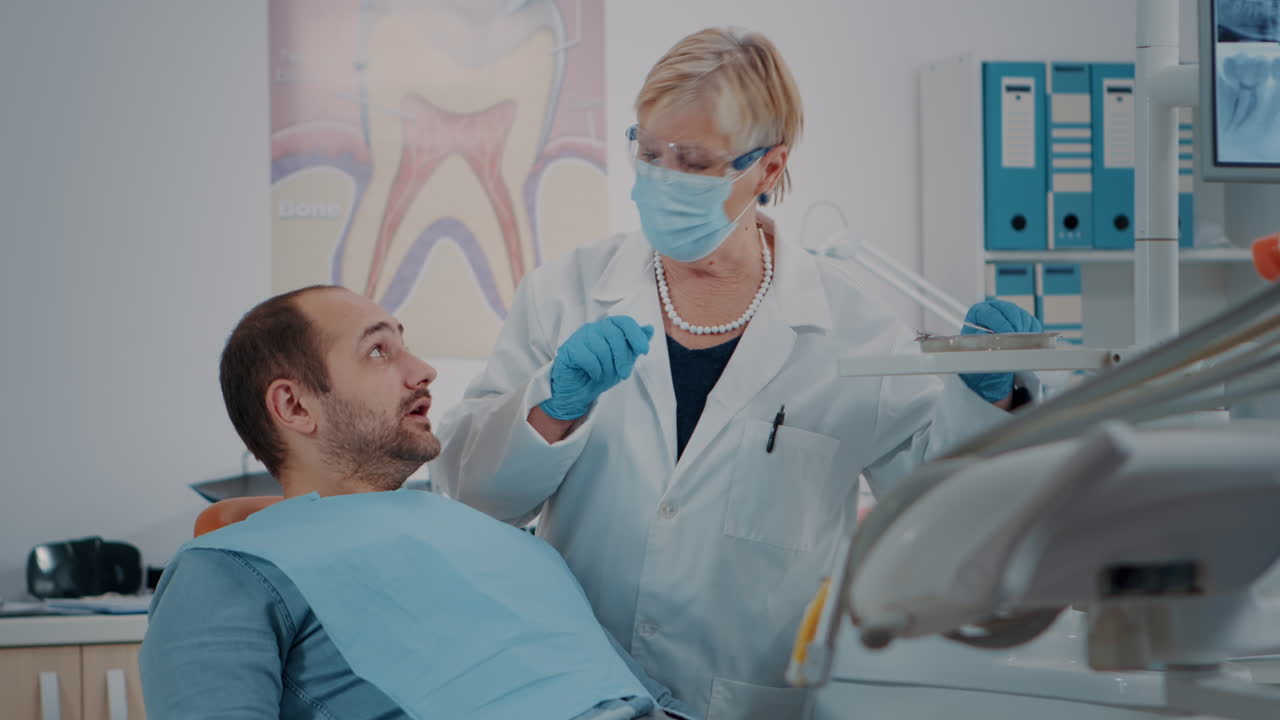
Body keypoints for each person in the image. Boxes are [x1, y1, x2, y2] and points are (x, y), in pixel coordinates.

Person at [434, 27, 1041, 719]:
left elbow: (941, 523)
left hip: (749, 701)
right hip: (581, 692)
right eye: (649, 150)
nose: (662, 176)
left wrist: (986, 403)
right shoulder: (563, 294)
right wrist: (550, 411)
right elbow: (470, 497)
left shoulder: (851, 330)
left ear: (769, 168)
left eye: (692, 162)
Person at [139, 285, 697, 720]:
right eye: (379, 350)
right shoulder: (231, 570)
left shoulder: (508, 543)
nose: (423, 370)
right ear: (294, 405)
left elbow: (638, 694)